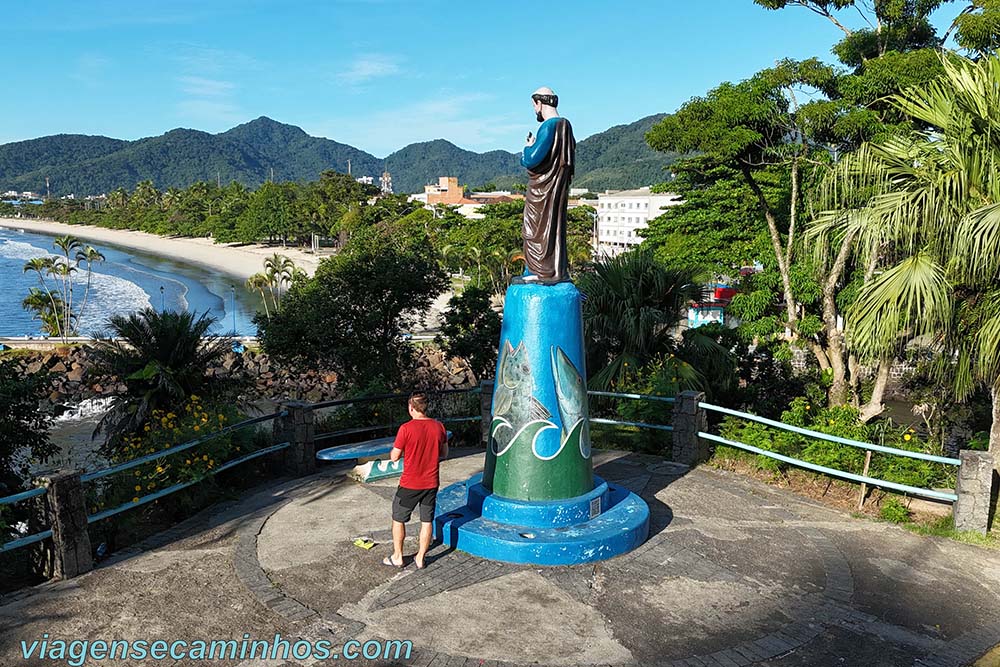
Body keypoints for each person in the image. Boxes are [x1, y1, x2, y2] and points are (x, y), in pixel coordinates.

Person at [518, 86, 576, 284]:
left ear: (539, 103)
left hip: (541, 191)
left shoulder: (548, 126)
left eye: (534, 106)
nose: (535, 111)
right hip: (557, 189)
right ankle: (553, 268)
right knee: (553, 228)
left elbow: (533, 159)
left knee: (535, 230)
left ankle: (539, 270)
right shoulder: (566, 126)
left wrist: (527, 149)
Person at [384, 392, 448, 569]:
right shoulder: (439, 427)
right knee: (427, 521)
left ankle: (398, 556)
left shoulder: (406, 428)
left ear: (412, 408)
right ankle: (420, 557)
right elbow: (444, 453)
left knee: (399, 519)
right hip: (431, 483)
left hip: (409, 484)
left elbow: (395, 457)